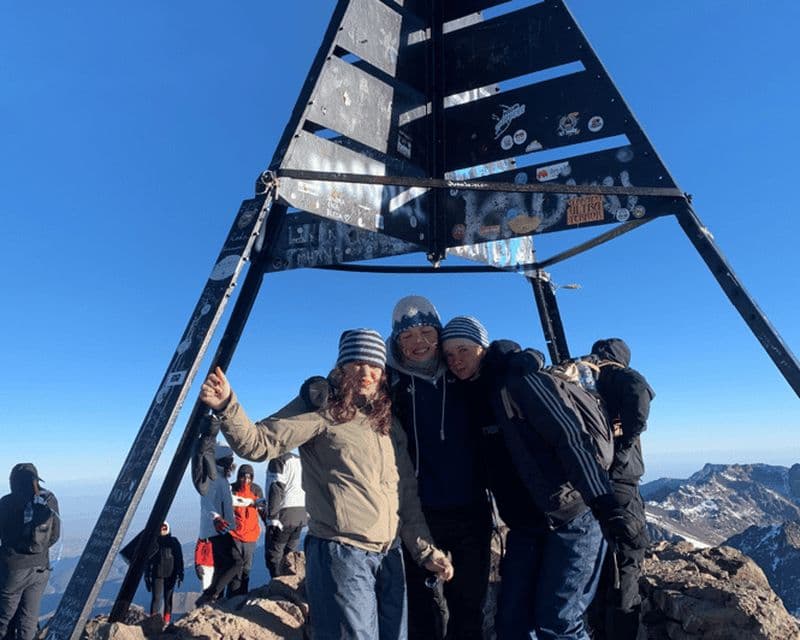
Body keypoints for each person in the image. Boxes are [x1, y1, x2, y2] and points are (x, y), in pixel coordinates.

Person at [199, 328, 454, 640]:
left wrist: (426, 552)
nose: (366, 373)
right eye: (357, 363)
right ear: (341, 367)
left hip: (390, 555)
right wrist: (227, 405)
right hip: (342, 554)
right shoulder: (323, 409)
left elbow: (406, 496)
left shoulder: (388, 423)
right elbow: (258, 443)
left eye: (374, 365)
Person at [441, 317, 639, 640]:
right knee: (512, 622)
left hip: (573, 515)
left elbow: (570, 438)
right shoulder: (471, 396)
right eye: (449, 355)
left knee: (559, 621)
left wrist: (603, 502)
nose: (456, 360)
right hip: (525, 525)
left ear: (482, 347)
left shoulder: (519, 381)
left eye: (463, 349)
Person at [387, 296, 491, 640]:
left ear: (439, 333)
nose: (418, 342)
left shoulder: (463, 374)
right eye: (407, 336)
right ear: (397, 342)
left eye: (427, 332)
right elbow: (352, 379)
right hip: (419, 512)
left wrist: (515, 355)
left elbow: (495, 361)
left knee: (469, 607)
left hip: (471, 508)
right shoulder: (390, 383)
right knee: (422, 610)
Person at [587, 338, 655, 640]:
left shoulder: (584, 382)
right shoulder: (614, 375)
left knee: (600, 562)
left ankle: (599, 629)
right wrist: (626, 444)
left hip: (589, 485)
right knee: (627, 557)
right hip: (620, 485)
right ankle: (622, 632)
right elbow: (639, 390)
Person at [0, 463, 60, 640]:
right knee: (29, 620)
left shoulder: (7, 502)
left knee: (4, 619)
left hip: (12, 570)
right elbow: (55, 535)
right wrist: (37, 550)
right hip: (41, 569)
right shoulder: (49, 499)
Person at [194, 444, 243, 606]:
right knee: (236, 562)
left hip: (220, 527)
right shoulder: (212, 479)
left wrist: (252, 502)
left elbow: (229, 500)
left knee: (222, 565)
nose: (231, 464)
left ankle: (211, 598)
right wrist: (216, 518)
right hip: (217, 529)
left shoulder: (220, 478)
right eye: (229, 460)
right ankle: (210, 595)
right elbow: (206, 501)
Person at [264, 452, 307, 578]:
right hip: (301, 514)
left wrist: (272, 516)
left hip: (284, 515)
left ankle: (278, 583)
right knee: (290, 554)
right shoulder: (299, 460)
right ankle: (292, 582)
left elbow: (276, 488)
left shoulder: (278, 461)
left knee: (274, 555)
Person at [228, 464, 266, 596]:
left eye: (249, 477)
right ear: (238, 476)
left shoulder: (256, 490)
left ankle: (242, 597)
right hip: (235, 535)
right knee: (235, 568)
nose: (246, 480)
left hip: (251, 535)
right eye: (243, 477)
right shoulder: (232, 489)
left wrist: (268, 523)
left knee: (246, 570)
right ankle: (231, 599)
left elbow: (262, 509)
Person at [144, 522, 184, 625]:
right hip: (157, 574)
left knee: (168, 599)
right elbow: (147, 561)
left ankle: (166, 621)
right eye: (161, 527)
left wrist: (180, 573)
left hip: (171, 574)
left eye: (164, 527)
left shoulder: (174, 542)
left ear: (168, 528)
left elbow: (179, 558)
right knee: (156, 599)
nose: (162, 530)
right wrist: (147, 576)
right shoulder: (153, 542)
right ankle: (153, 622)